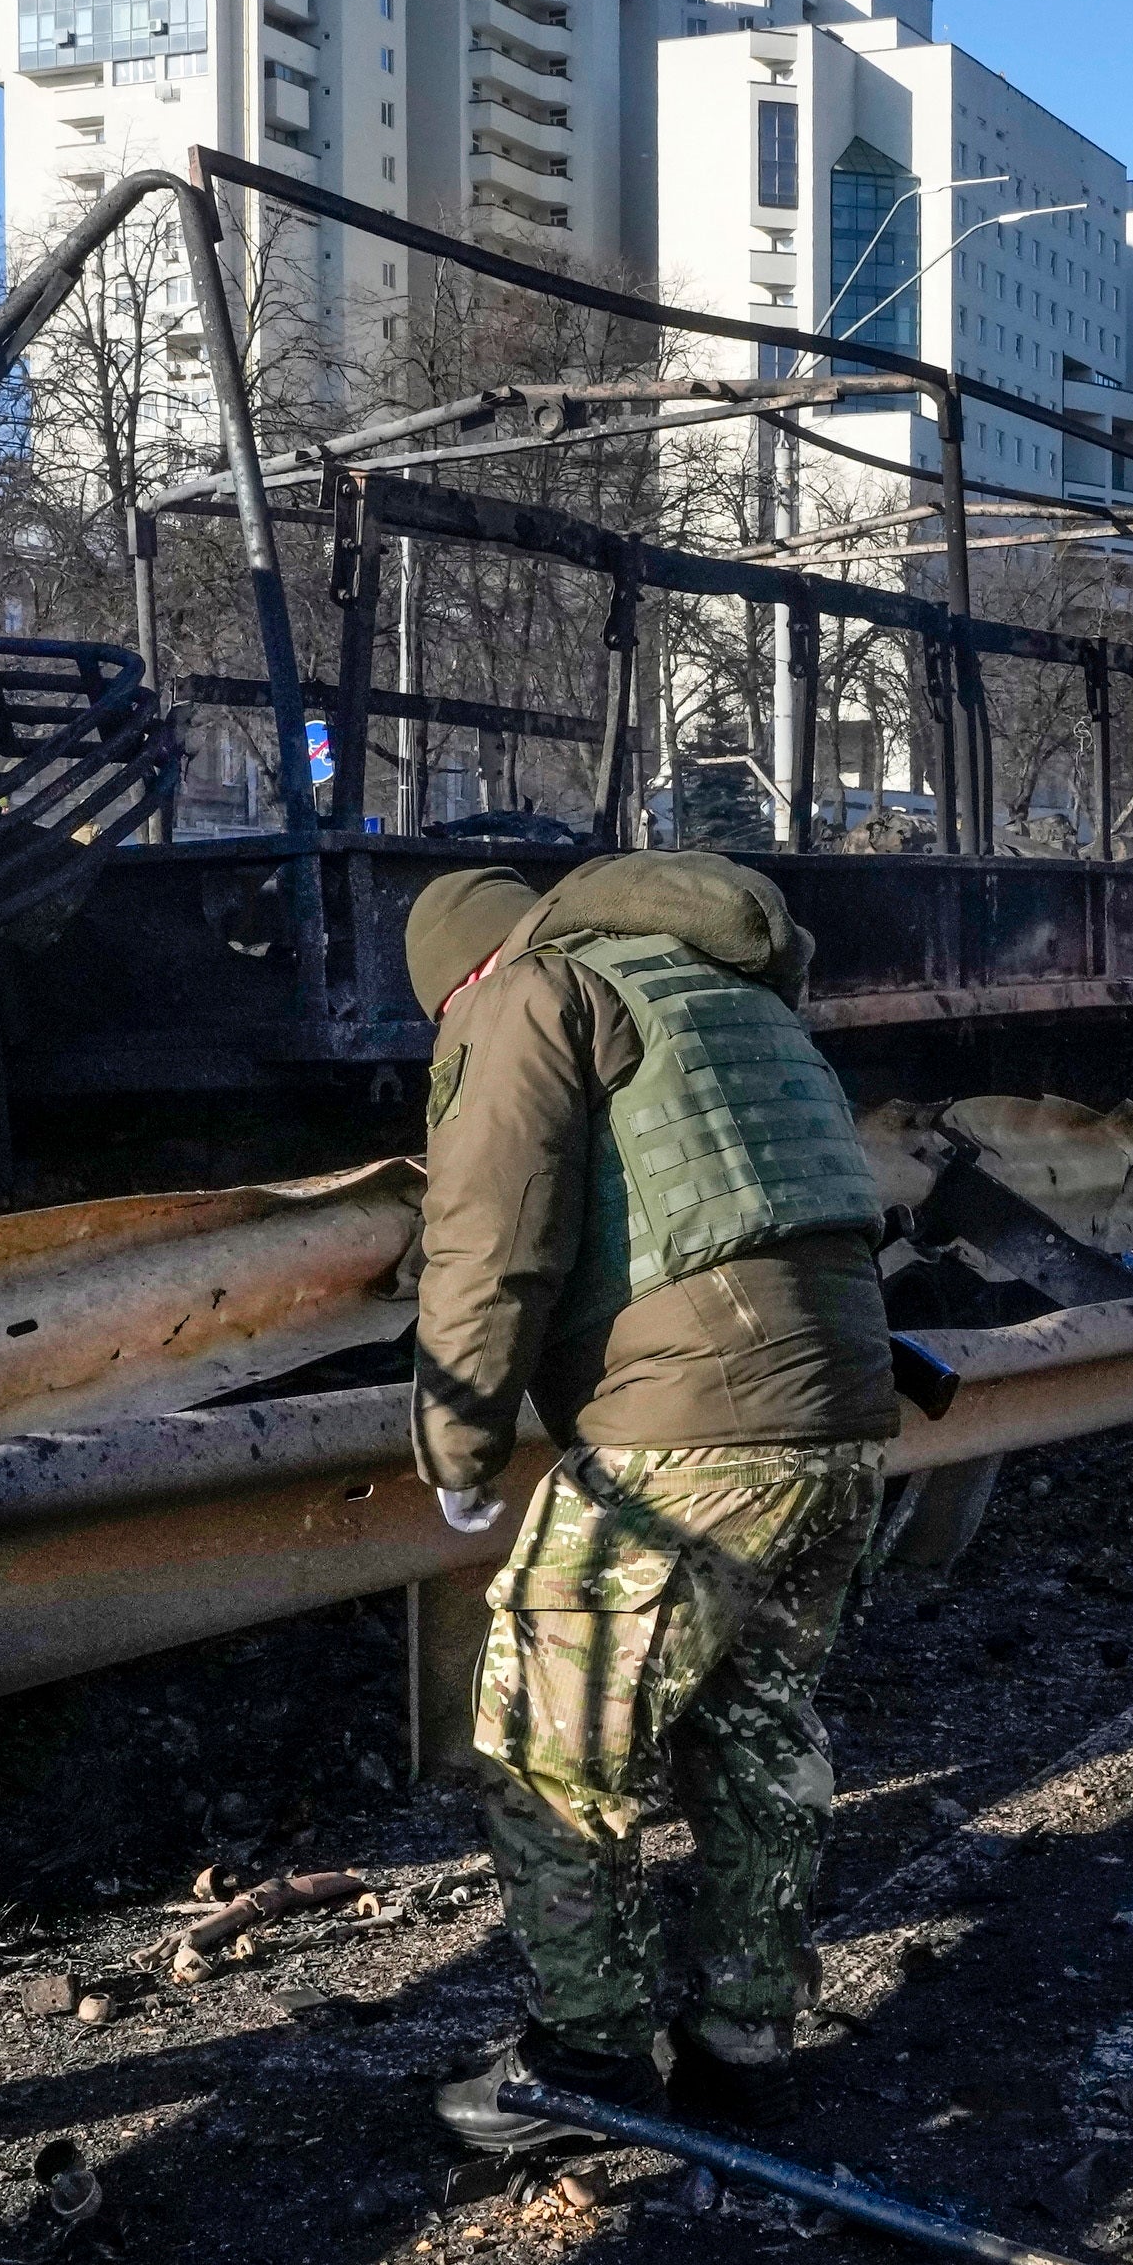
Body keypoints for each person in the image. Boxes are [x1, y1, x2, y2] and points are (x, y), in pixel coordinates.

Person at [399, 852, 899, 2154]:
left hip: (687, 1431)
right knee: (756, 1725)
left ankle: (589, 2063)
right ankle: (744, 2044)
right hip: (844, 1413)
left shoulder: (527, 994)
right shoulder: (725, 991)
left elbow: (490, 1233)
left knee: (547, 1745)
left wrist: (458, 1445)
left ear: (462, 976)